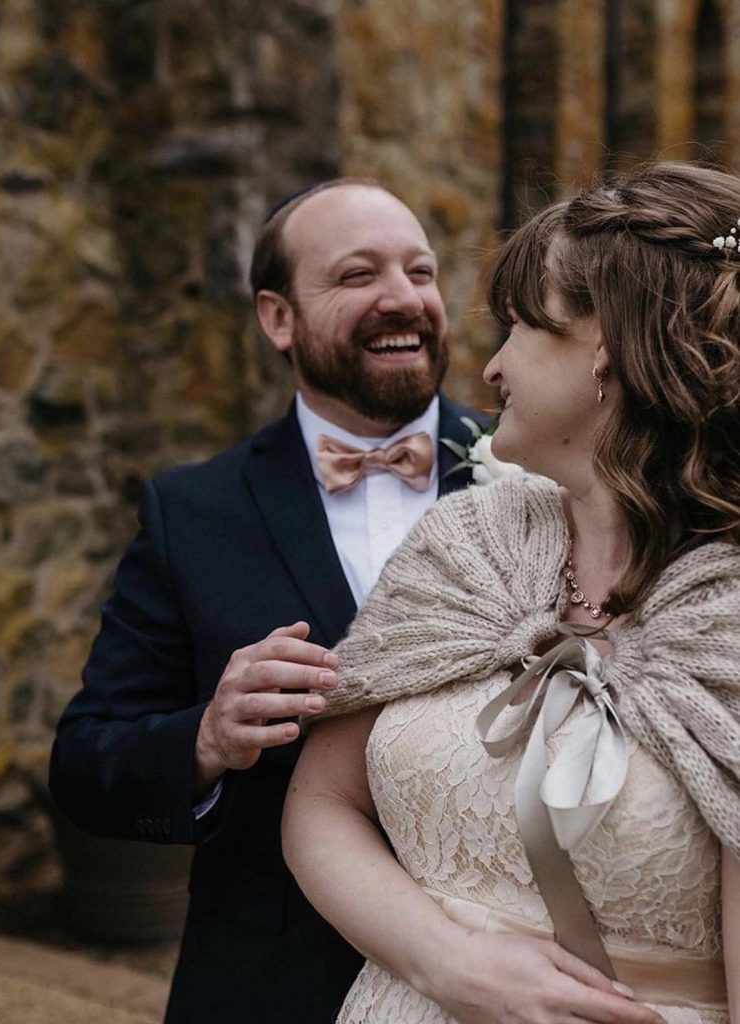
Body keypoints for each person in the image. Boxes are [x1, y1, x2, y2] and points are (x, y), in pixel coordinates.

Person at [283, 161, 740, 1024]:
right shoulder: (468, 542)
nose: (491, 367)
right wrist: (445, 961)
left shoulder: (730, 623)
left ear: (607, 347)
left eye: (524, 326)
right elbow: (320, 802)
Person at [49, 178, 483, 1023]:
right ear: (278, 318)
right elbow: (85, 762)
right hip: (275, 982)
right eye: (358, 274)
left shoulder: (538, 473)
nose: (404, 298)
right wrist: (206, 739)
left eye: (421, 271)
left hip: (508, 968)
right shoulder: (191, 511)